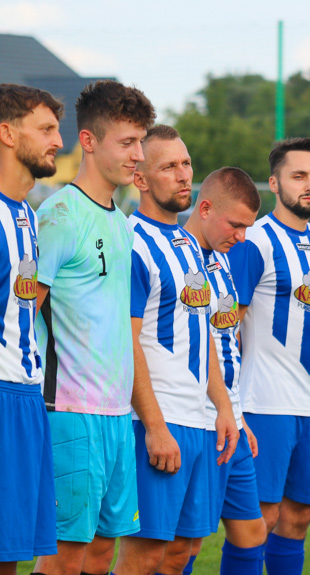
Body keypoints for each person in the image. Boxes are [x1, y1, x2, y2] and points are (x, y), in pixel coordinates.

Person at [33, 79, 155, 575]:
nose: (139, 155)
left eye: (141, 141)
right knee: (64, 558)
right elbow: (23, 313)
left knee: (104, 551)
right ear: (88, 141)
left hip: (115, 416)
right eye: (127, 142)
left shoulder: (121, 223)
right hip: (70, 412)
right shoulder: (59, 215)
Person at [113, 125, 239, 575]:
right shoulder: (131, 241)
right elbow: (126, 343)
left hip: (199, 421)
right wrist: (154, 425)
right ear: (141, 180)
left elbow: (201, 332)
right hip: (158, 421)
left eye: (185, 163)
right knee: (144, 555)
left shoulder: (188, 244)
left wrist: (222, 406)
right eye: (168, 166)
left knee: (182, 552)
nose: (183, 175)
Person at [227, 137, 310, 575]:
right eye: (298, 176)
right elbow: (227, 329)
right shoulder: (255, 243)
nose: (308, 186)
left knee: (298, 518)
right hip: (266, 403)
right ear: (274, 182)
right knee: (260, 520)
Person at [182, 167, 267, 574]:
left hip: (228, 416)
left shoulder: (223, 261)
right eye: (235, 224)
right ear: (205, 208)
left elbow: (225, 341)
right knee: (182, 544)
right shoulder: (175, 254)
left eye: (247, 227)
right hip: (195, 419)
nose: (242, 236)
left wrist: (236, 410)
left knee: (251, 532)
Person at [0, 83, 63, 575]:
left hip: (25, 395)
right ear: (6, 133)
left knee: (13, 553)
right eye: (44, 129)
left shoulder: (27, 214)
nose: (56, 140)